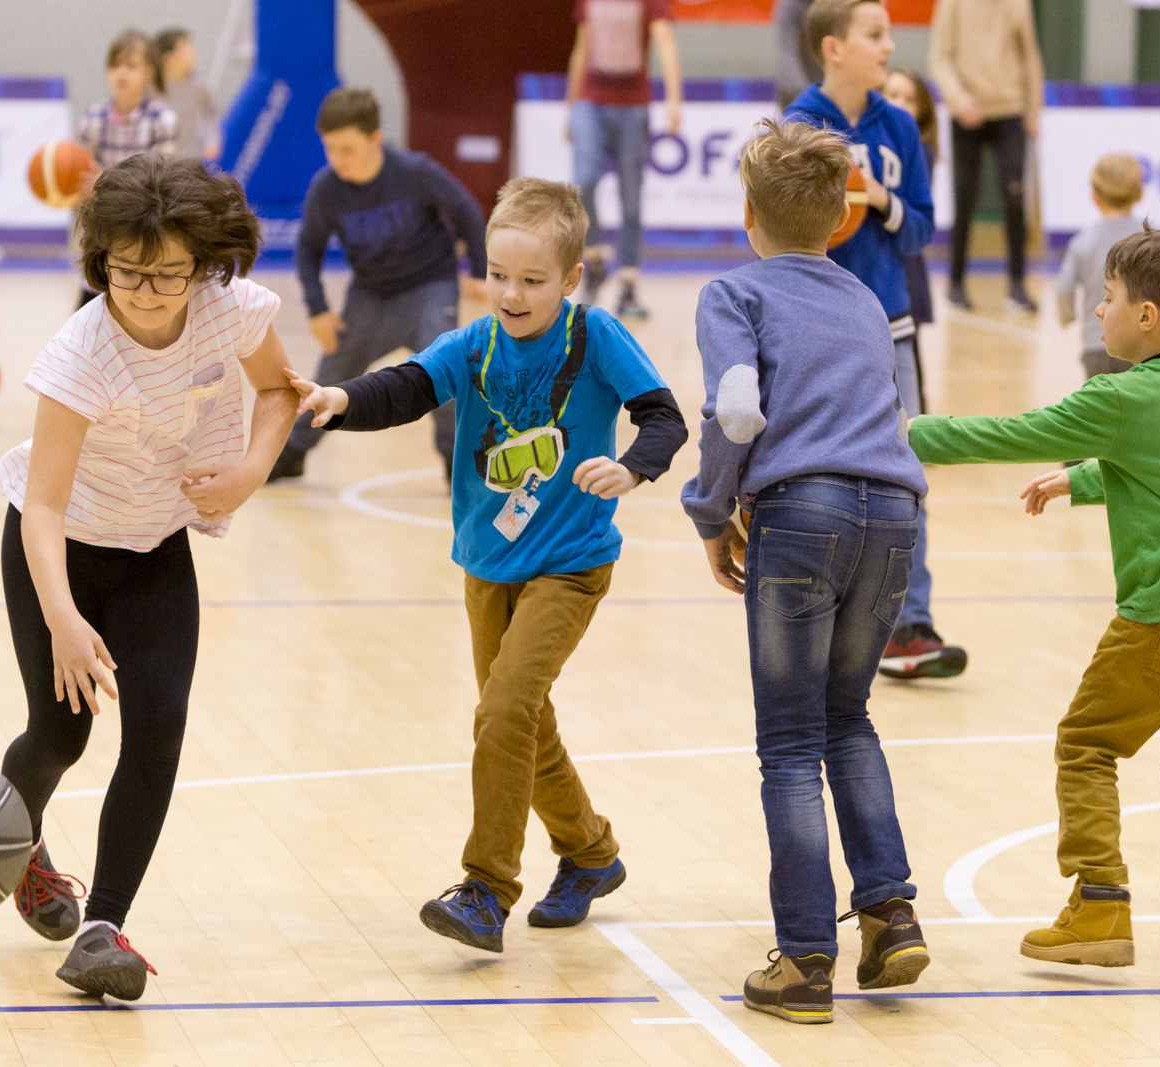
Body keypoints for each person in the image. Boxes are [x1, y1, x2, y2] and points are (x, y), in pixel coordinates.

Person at [908, 227, 1160, 987]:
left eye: (1108, 297)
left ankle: (1099, 903)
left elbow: (1010, 433)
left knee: (1087, 742)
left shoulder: (1120, 393)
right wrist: (1084, 480)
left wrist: (902, 434)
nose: (1097, 311)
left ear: (1148, 316)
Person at [286, 177, 687, 954]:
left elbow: (663, 414)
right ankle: (592, 854)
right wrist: (342, 399)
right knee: (523, 726)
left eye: (532, 281)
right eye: (498, 275)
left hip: (570, 564)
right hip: (486, 561)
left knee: (503, 712)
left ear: (570, 281)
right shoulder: (474, 343)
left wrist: (635, 467)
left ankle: (485, 886)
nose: (510, 292)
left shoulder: (595, 336)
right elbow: (407, 386)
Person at [0, 154, 296, 1001]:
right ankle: (16, 841)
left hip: (156, 547)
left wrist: (249, 472)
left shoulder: (228, 311)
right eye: (128, 272)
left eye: (168, 275)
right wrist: (62, 617)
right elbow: (43, 510)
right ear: (102, 262)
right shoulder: (80, 352)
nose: (147, 291)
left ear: (203, 264)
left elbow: (280, 391)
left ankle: (104, 926)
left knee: (158, 726)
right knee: (61, 735)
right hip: (60, 549)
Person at [681, 119, 930, 1026]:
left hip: (803, 517)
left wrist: (711, 512)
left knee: (789, 744)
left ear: (748, 212)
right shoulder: (864, 298)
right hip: (895, 516)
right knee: (847, 717)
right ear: (837, 224)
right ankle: (890, 912)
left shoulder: (731, 292)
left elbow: (738, 410)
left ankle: (806, 958)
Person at [785, 0, 966, 681]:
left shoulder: (898, 128)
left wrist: (879, 201)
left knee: (905, 477)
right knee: (820, 478)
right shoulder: (801, 126)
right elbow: (784, 233)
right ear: (834, 48)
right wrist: (838, 205)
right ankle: (818, 619)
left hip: (890, 326)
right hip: (820, 331)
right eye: (876, 34)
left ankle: (908, 623)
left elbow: (921, 230)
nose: (891, 46)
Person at [268, 87, 488, 484]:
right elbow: (308, 250)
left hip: (429, 288)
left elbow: (467, 211)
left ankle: (457, 464)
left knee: (448, 372)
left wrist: (481, 270)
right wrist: (317, 309)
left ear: (375, 139)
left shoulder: (414, 172)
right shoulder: (327, 190)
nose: (338, 159)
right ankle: (294, 453)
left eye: (347, 149)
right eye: (330, 148)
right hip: (370, 296)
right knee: (333, 372)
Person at [565, 0, 683, 318]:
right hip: (591, 100)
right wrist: (570, 107)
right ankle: (596, 258)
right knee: (583, 182)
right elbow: (581, 48)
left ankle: (628, 286)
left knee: (630, 199)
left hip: (633, 106)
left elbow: (665, 42)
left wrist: (674, 99)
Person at [928, 0, 1044, 314]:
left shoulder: (1019, 4)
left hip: (1010, 111)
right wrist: (958, 98)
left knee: (1014, 197)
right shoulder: (952, 4)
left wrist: (1034, 109)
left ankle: (1018, 284)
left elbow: (1030, 56)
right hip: (967, 111)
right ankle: (955, 284)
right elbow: (940, 59)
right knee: (965, 197)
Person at [74, 29, 178, 310]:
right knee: (86, 321)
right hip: (102, 231)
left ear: (148, 72)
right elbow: (81, 183)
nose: (121, 73)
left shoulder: (162, 119)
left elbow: (158, 185)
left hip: (143, 233)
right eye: (115, 65)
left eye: (130, 66)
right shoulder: (93, 119)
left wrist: (104, 183)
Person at [1054, 154, 1144, 380]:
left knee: (1098, 411)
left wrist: (1067, 316)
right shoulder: (1150, 239)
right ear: (1139, 194)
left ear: (1095, 197)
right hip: (1141, 347)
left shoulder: (1083, 241)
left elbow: (1064, 288)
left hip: (1097, 344)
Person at [882, 69, 938, 385]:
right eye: (893, 95)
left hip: (905, 265)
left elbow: (915, 216)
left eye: (910, 99)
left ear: (923, 111)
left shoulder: (921, 152)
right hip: (878, 263)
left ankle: (917, 425)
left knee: (908, 359)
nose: (900, 104)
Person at [156, 27, 222, 163]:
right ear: (168, 57)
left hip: (191, 158)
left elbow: (211, 112)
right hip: (157, 160)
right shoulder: (152, 86)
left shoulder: (199, 83)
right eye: (185, 48)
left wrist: (212, 139)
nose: (193, 51)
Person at [773, 0, 821, 108]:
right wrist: (805, 93)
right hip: (799, 94)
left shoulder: (835, 6)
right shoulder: (791, 6)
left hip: (825, 92)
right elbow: (787, 52)